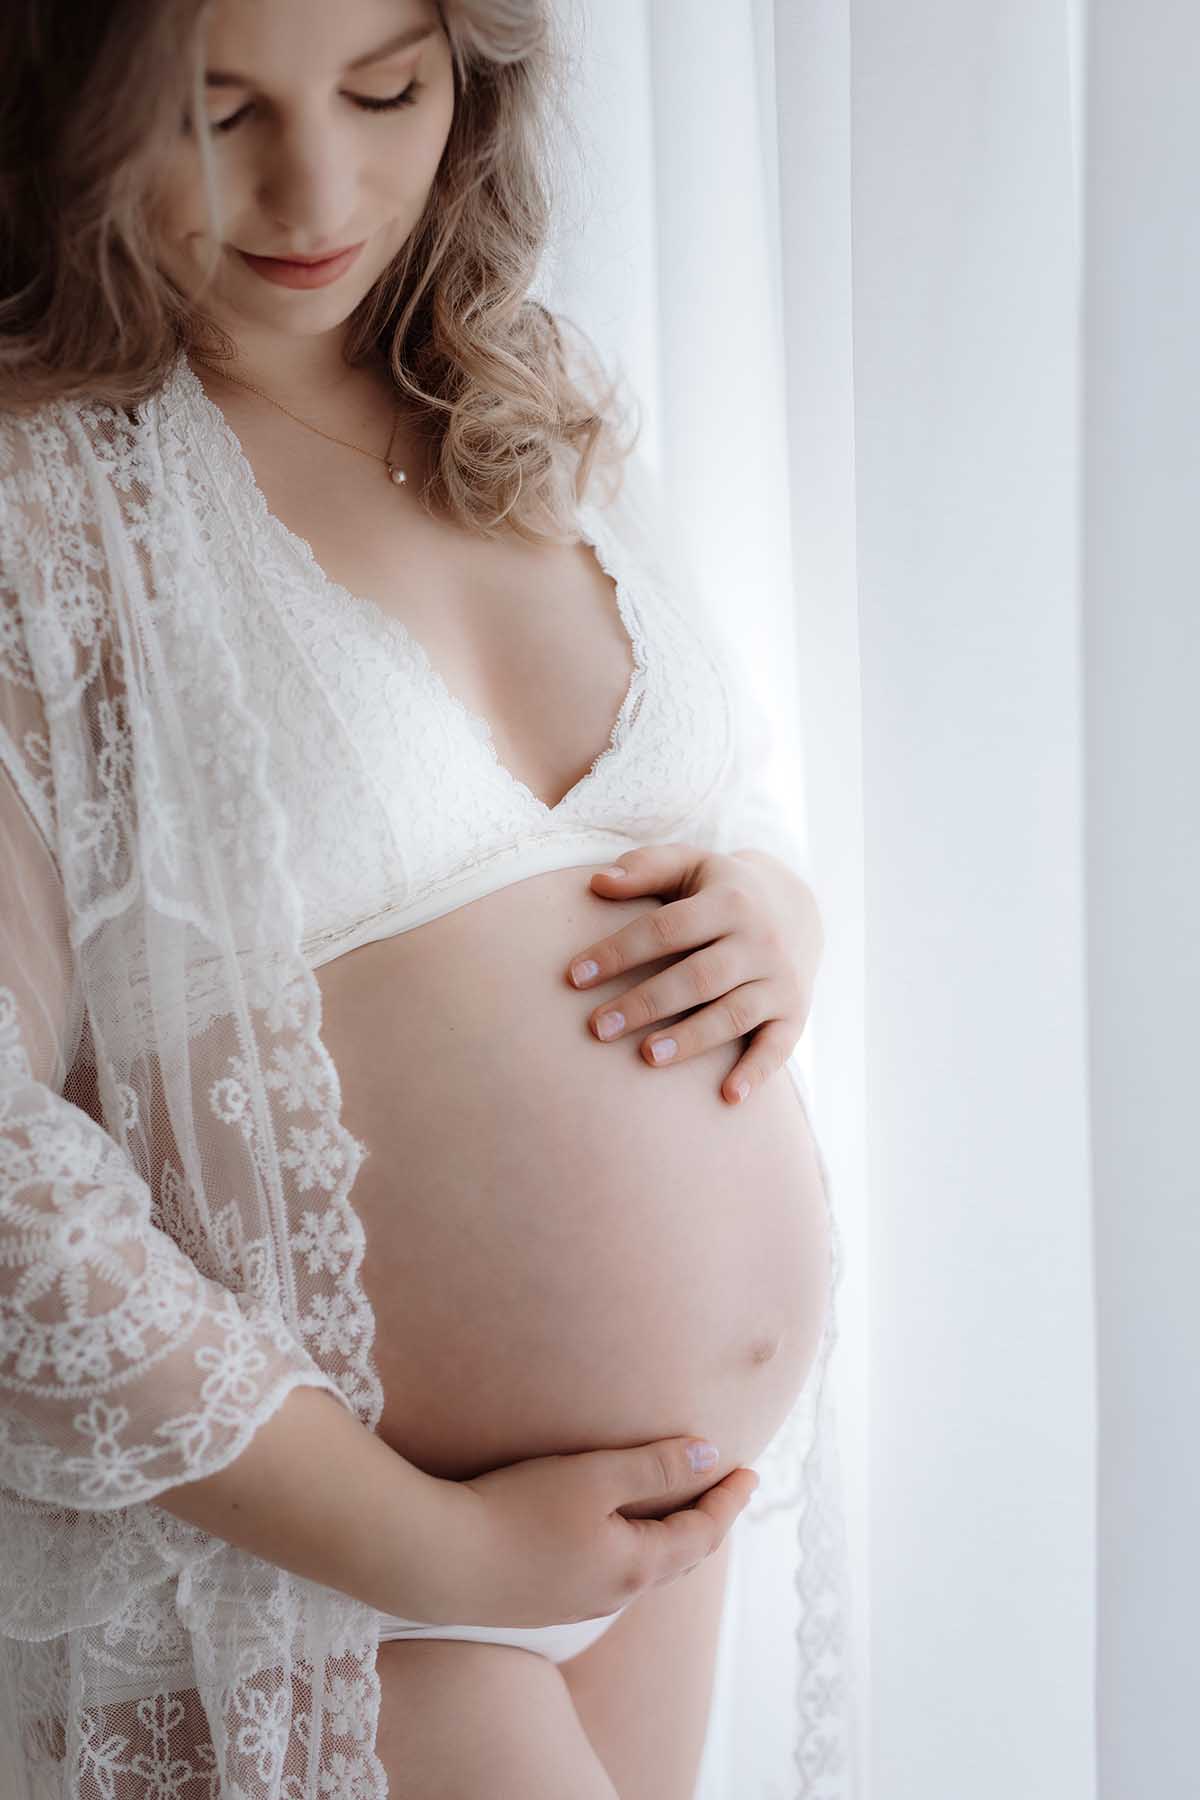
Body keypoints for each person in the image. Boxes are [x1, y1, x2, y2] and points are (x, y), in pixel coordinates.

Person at [0, 1, 854, 1795]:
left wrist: (777, 907)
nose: (319, 183)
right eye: (214, 113)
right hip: (311, 1579)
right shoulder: (39, 490)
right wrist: (427, 1546)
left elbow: (702, 792)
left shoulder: (522, 384)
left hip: (643, 1547)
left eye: (385, 89)